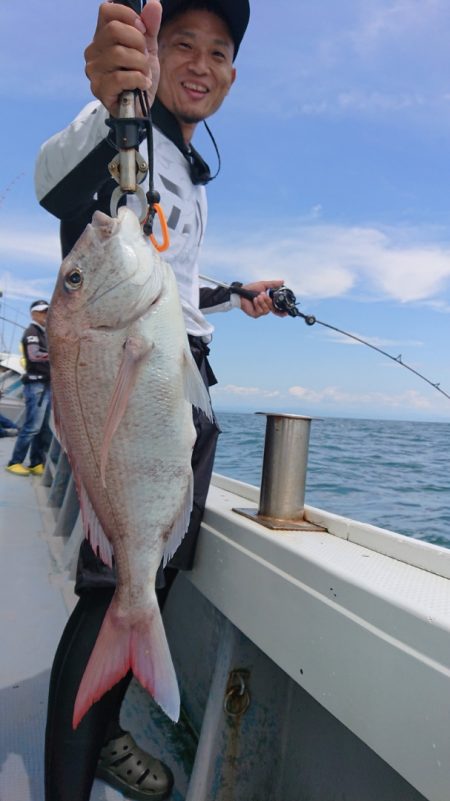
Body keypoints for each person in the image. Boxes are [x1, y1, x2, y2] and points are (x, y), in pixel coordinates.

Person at [34, 1, 286, 799]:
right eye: (182, 43)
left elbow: (165, 285)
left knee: (152, 579)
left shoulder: (184, 167)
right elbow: (57, 182)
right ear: (150, 51)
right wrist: (114, 102)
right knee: (112, 590)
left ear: (234, 75)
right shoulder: (128, 132)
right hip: (135, 391)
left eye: (218, 51)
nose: (201, 64)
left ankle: (106, 738)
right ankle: (68, 781)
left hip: (176, 393)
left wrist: (232, 293)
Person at [6, 300, 52, 476]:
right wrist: (56, 354)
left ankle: (36, 462)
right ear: (34, 314)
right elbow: (33, 356)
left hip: (45, 385)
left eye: (47, 312)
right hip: (36, 386)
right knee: (32, 427)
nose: (46, 315)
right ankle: (15, 461)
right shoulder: (32, 332)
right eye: (42, 312)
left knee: (43, 427)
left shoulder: (44, 334)